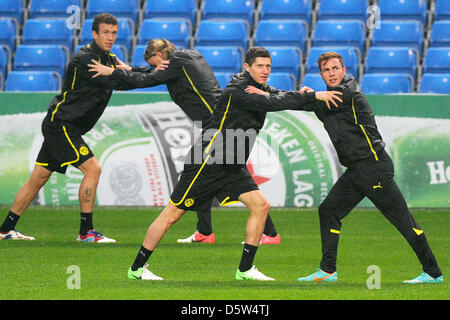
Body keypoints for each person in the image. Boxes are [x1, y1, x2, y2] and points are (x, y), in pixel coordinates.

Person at [120, 47, 342, 281]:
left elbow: (278, 96)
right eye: (259, 66)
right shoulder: (240, 88)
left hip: (231, 162)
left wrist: (305, 94)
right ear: (247, 67)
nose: (265, 71)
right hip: (209, 160)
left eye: (268, 66)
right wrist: (312, 95)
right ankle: (137, 269)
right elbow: (274, 102)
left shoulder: (259, 87)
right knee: (172, 214)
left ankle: (245, 270)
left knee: (260, 206)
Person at [249, 51, 443, 284]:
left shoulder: (346, 93)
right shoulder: (329, 96)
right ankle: (328, 270)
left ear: (344, 70)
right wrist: (287, 93)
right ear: (321, 74)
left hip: (373, 168)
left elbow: (303, 102)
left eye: (335, 68)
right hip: (357, 171)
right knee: (329, 211)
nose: (331, 73)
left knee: (403, 222)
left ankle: (432, 272)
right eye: (326, 70)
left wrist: (268, 94)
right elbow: (304, 102)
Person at [87, 38, 281, 245]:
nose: (156, 68)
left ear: (161, 56)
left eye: (155, 63)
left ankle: (268, 233)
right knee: (205, 178)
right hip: (214, 121)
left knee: (224, 173)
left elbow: (147, 80)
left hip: (215, 125)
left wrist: (113, 72)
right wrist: (132, 68)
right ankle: (205, 231)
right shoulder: (189, 56)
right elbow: (156, 74)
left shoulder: (176, 63)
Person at [0, 13, 135, 242]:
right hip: (62, 125)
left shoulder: (109, 59)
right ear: (94, 34)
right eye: (106, 32)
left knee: (39, 178)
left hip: (63, 126)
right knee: (93, 169)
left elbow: (123, 77)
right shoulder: (88, 59)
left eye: (114, 33)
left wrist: (135, 71)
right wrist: (135, 73)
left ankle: (5, 230)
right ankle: (86, 232)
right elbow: (120, 81)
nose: (110, 37)